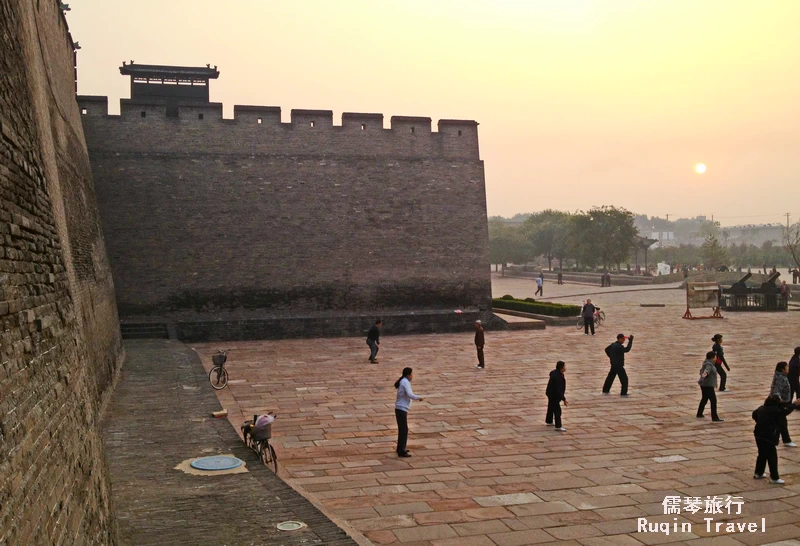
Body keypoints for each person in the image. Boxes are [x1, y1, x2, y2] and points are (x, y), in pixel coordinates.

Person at [752, 395, 800, 484]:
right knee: (772, 457)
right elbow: (785, 411)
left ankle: (758, 473)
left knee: (762, 454)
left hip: (758, 435)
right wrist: (794, 404)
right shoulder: (775, 411)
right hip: (769, 436)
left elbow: (754, 415)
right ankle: (774, 477)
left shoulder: (761, 408)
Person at [394, 367, 423, 457]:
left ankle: (400, 447)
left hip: (400, 408)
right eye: (412, 374)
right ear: (408, 375)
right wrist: (419, 397)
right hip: (401, 408)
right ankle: (401, 450)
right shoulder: (405, 382)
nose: (412, 376)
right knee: (404, 430)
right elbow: (410, 394)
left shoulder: (403, 381)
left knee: (402, 429)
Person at [770, 362, 797, 447]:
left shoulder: (780, 376)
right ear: (782, 369)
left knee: (779, 422)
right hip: (780, 403)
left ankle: (775, 439)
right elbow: (776, 391)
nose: (788, 368)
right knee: (782, 422)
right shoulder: (781, 378)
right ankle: (786, 440)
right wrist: (779, 400)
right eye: (787, 367)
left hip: (779, 402)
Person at [697, 351, 723, 421]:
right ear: (712, 357)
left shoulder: (707, 363)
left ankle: (699, 413)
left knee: (704, 399)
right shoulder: (709, 365)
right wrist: (702, 379)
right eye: (715, 357)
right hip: (708, 385)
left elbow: (701, 371)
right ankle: (714, 417)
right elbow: (706, 372)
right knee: (713, 401)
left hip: (704, 385)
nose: (716, 358)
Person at [545, 361, 568, 432]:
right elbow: (558, 390)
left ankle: (549, 421)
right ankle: (558, 426)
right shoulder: (558, 377)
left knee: (551, 407)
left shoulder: (555, 373)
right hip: (554, 395)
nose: (565, 368)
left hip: (550, 393)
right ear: (561, 368)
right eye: (564, 366)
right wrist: (564, 399)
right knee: (557, 410)